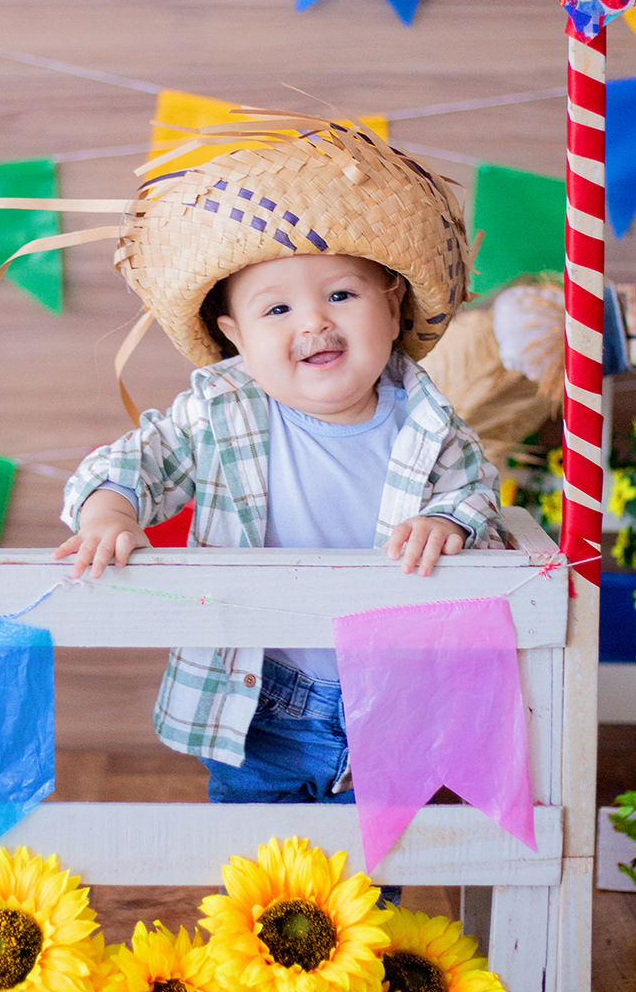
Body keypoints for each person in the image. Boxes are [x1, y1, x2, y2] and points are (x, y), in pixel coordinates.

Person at [53, 118, 503, 806]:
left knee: (369, 886)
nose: (313, 323)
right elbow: (136, 460)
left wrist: (451, 521)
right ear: (234, 336)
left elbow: (475, 493)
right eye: (278, 308)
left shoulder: (429, 424)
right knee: (261, 874)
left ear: (392, 307)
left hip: (391, 700)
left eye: (342, 295)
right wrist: (110, 509)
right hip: (259, 698)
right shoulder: (219, 412)